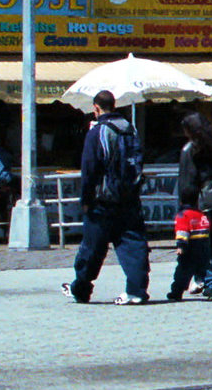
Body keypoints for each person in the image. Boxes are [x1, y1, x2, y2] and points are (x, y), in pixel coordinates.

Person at [61, 90, 151, 305]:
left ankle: (81, 289)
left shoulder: (98, 132)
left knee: (92, 249)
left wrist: (85, 200)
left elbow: (89, 170)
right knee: (133, 244)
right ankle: (137, 290)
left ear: (97, 108)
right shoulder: (130, 129)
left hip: (103, 201)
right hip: (129, 199)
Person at [169, 112, 212, 301]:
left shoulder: (189, 150)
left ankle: (200, 279)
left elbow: (187, 183)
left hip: (199, 205)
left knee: (197, 245)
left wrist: (184, 206)